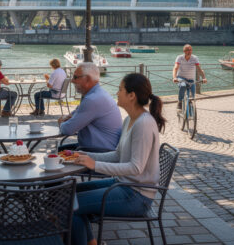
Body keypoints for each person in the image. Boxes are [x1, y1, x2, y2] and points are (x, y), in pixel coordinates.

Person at [70, 72, 164, 245]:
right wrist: (86, 156)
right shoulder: (129, 119)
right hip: (125, 185)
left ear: (131, 96)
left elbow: (136, 168)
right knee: (71, 193)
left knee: (70, 206)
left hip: (137, 196)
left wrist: (95, 165)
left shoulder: (143, 124)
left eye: (120, 89)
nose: (117, 93)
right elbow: (118, 155)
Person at [59, 62, 123, 152]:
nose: (72, 80)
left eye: (75, 77)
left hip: (100, 152)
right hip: (101, 147)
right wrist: (69, 119)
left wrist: (61, 123)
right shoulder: (97, 94)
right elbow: (74, 114)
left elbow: (68, 129)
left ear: (88, 79)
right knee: (57, 151)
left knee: (53, 156)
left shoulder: (92, 99)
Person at [172, 44, 207, 110]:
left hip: (191, 80)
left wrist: (204, 78)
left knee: (192, 97)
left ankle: (191, 114)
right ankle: (180, 102)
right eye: (188, 50)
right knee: (182, 86)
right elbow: (175, 68)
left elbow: (199, 69)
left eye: (190, 50)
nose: (189, 51)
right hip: (181, 78)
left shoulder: (195, 58)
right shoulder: (179, 57)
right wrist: (174, 77)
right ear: (184, 51)